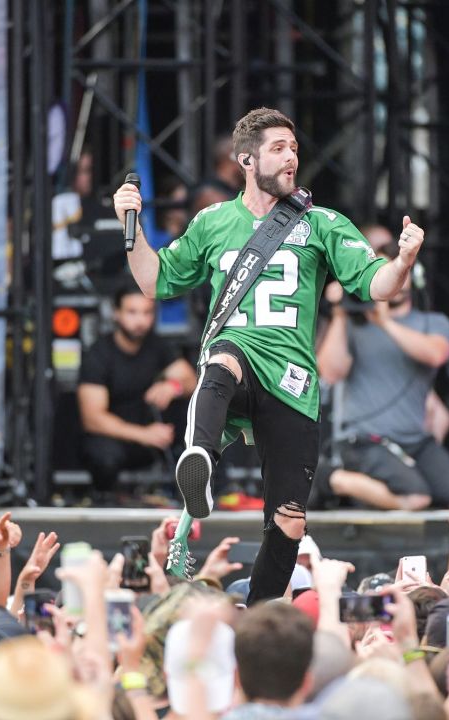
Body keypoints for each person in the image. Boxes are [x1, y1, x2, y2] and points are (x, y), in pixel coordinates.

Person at [113, 107, 424, 601]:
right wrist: (129, 224)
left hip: (293, 382)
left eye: (294, 149)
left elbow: (378, 285)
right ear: (246, 160)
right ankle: (200, 462)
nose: (291, 158)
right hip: (237, 363)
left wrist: (404, 260)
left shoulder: (322, 223)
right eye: (279, 148)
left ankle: (258, 616)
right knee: (225, 355)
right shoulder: (213, 221)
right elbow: (152, 281)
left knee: (290, 522)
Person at [316, 239, 449, 511]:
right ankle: (332, 478)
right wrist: (340, 313)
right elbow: (330, 372)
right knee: (417, 497)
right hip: (364, 441)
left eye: (400, 270)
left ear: (414, 275)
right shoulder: (354, 326)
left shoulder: (433, 322)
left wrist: (385, 321)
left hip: (415, 440)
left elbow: (436, 354)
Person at [78, 284, 198, 503]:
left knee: (193, 408)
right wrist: (144, 434)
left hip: (154, 439)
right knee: (103, 455)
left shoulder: (157, 346)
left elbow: (192, 380)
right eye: (132, 312)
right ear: (116, 313)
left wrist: (173, 386)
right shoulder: (99, 354)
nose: (140, 321)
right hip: (114, 441)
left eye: (147, 313)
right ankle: (104, 502)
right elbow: (92, 418)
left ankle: (195, 494)